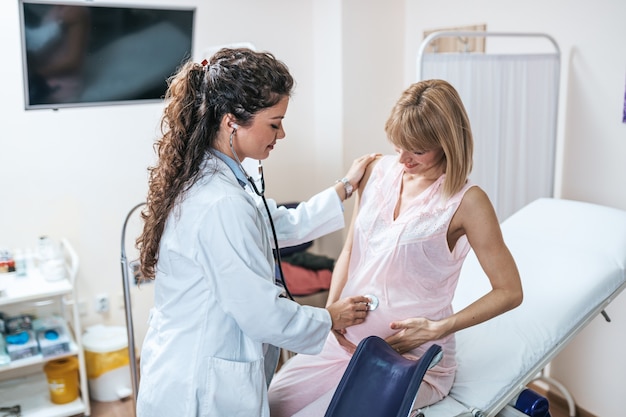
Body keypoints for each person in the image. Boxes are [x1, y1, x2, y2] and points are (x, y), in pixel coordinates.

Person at [134, 48, 379, 417]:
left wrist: (345, 187)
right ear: (233, 122)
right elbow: (263, 314)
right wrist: (331, 317)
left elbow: (275, 226)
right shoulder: (220, 203)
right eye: (274, 123)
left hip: (189, 369)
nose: (282, 133)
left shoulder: (215, 179)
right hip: (199, 390)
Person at [268, 79, 524, 416]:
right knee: (269, 407)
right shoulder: (376, 171)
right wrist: (331, 313)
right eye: (398, 144)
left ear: (447, 143)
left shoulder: (468, 202)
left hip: (408, 359)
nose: (402, 157)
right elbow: (350, 250)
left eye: (416, 149)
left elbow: (509, 291)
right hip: (342, 344)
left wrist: (437, 329)